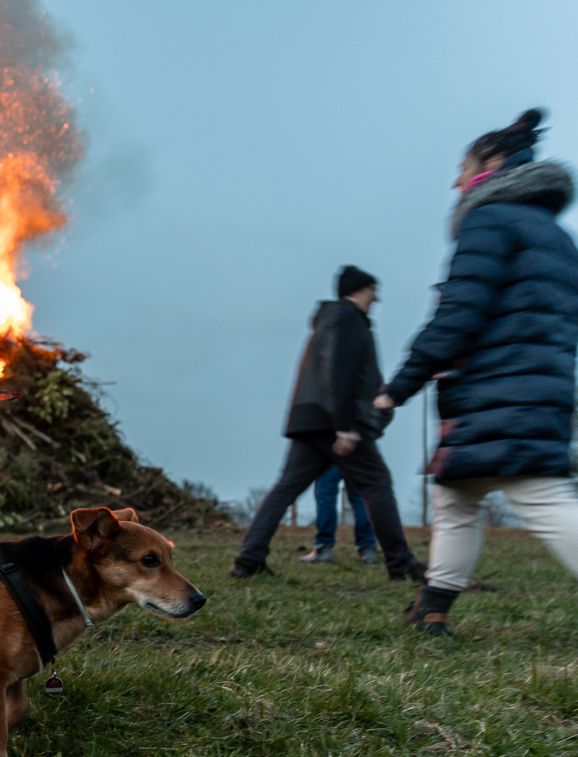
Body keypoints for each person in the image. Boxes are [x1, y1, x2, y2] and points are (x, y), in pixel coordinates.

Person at [376, 109, 578, 636]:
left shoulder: (490, 220)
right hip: (534, 386)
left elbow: (457, 316)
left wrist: (396, 389)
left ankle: (433, 606)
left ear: (491, 164)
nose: (455, 181)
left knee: (542, 496)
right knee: (458, 495)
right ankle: (432, 608)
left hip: (501, 389)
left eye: (462, 168)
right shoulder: (555, 235)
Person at [231, 266, 425, 581]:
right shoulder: (348, 319)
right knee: (376, 484)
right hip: (334, 419)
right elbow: (338, 371)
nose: (377, 297)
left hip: (311, 418)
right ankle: (401, 563)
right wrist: (345, 425)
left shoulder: (329, 320)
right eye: (373, 290)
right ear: (358, 290)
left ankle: (248, 560)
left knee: (285, 488)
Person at [300, 466, 377, 564]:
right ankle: (367, 548)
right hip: (357, 454)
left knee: (326, 494)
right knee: (360, 498)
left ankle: (323, 547)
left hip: (331, 455)